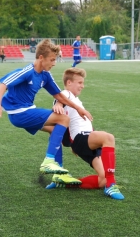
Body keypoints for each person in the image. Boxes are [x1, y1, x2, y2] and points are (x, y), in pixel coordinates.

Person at [0, 39, 93, 176]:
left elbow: (58, 95)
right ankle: (49, 161)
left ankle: (59, 173)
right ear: (41, 58)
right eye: (51, 60)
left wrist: (79, 108)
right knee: (63, 119)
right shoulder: (27, 71)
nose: (54, 63)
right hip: (19, 113)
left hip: (27, 110)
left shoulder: (45, 75)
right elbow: (4, 83)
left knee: (54, 129)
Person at [45, 68, 125, 200]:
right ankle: (111, 185)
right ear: (69, 82)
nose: (83, 86)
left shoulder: (75, 99)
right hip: (82, 137)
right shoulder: (67, 94)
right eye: (80, 82)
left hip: (87, 142)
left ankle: (67, 184)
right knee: (108, 138)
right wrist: (58, 104)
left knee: (102, 179)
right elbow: (60, 98)